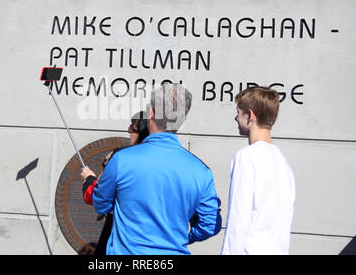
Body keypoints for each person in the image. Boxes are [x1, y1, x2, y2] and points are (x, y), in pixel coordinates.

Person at [82, 83, 222, 255]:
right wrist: (185, 238)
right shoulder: (201, 171)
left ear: (152, 113)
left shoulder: (122, 160)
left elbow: (100, 203)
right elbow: (210, 224)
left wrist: (90, 181)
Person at [221, 86, 296, 255]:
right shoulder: (283, 163)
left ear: (251, 115)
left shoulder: (246, 157)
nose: (236, 117)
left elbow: (238, 220)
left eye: (239, 112)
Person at [81, 112, 149, 255]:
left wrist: (89, 179)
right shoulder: (171, 161)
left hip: (119, 233)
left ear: (142, 132)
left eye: (133, 127)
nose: (129, 131)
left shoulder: (120, 158)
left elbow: (94, 196)